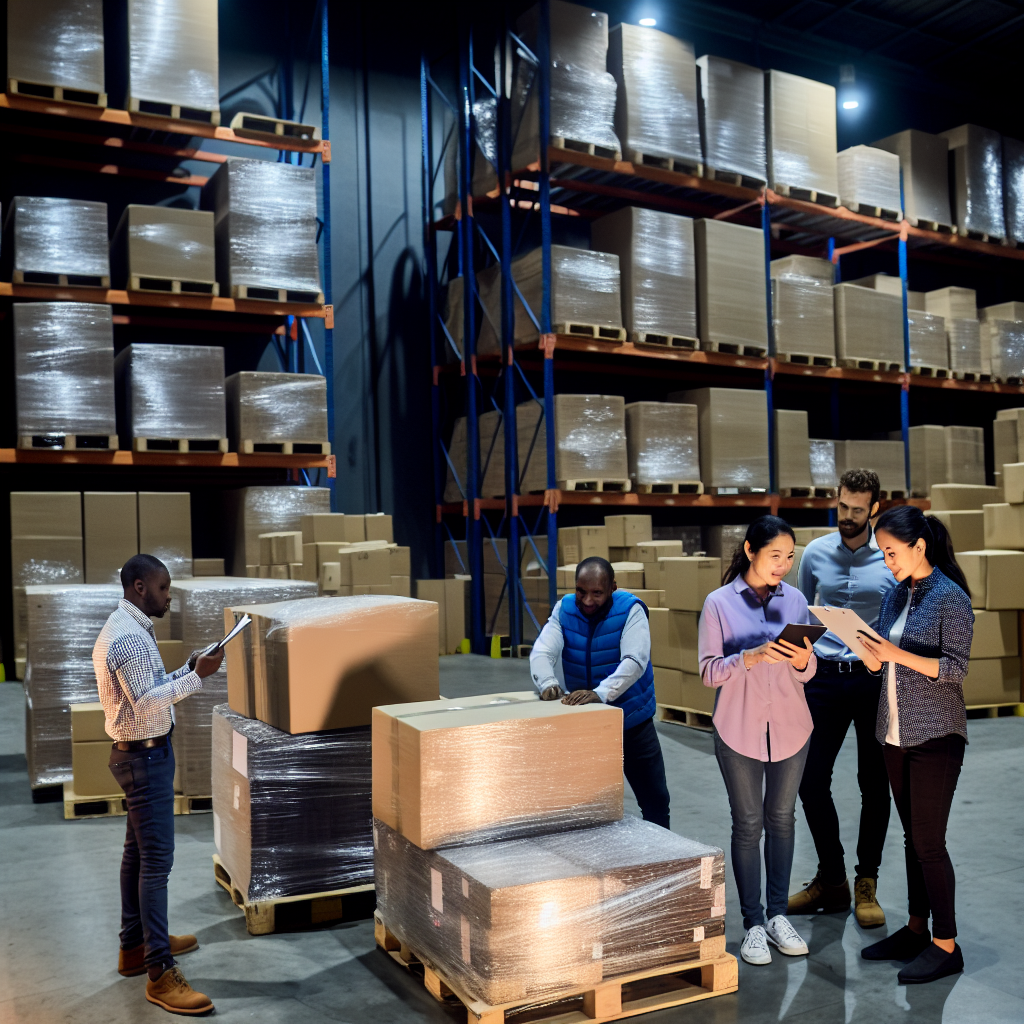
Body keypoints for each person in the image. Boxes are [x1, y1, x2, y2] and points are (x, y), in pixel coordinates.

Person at [93, 554, 224, 1016]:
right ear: (139, 586)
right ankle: (158, 971)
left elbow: (147, 688)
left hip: (143, 755)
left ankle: (136, 945)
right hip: (143, 759)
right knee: (157, 865)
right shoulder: (127, 637)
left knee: (138, 855)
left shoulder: (130, 626)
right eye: (164, 588)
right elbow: (147, 702)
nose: (169, 595)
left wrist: (187, 667)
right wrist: (195, 677)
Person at [857, 505, 973, 985]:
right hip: (894, 734)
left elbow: (956, 670)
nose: (887, 561)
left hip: (937, 736)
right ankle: (916, 928)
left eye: (891, 551)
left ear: (918, 546)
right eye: (882, 553)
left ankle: (946, 945)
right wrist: (871, 658)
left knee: (929, 843)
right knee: (911, 840)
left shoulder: (951, 598)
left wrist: (894, 654)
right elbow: (885, 661)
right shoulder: (894, 596)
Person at [698, 515, 817, 966]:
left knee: (782, 820)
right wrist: (748, 656)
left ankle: (777, 915)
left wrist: (805, 659)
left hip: (792, 727)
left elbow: (809, 673)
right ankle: (751, 925)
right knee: (748, 825)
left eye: (790, 557)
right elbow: (709, 672)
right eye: (774, 556)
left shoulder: (797, 601)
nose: (783, 565)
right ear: (750, 551)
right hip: (738, 729)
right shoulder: (718, 604)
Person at [789, 469, 896, 928]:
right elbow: (799, 609)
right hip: (825, 679)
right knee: (809, 779)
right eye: (841, 507)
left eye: (857, 510)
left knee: (874, 785)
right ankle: (831, 878)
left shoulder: (890, 556)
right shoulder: (814, 553)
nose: (847, 518)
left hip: (875, 680)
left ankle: (865, 881)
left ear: (874, 508)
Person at [530, 556, 670, 828]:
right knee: (590, 806)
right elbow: (543, 650)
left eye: (597, 593)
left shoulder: (631, 610)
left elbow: (635, 661)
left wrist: (601, 693)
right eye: (581, 591)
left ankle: (661, 864)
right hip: (589, 725)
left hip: (632, 720)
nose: (587, 600)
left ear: (612, 588)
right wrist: (547, 682)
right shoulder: (565, 609)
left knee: (654, 802)